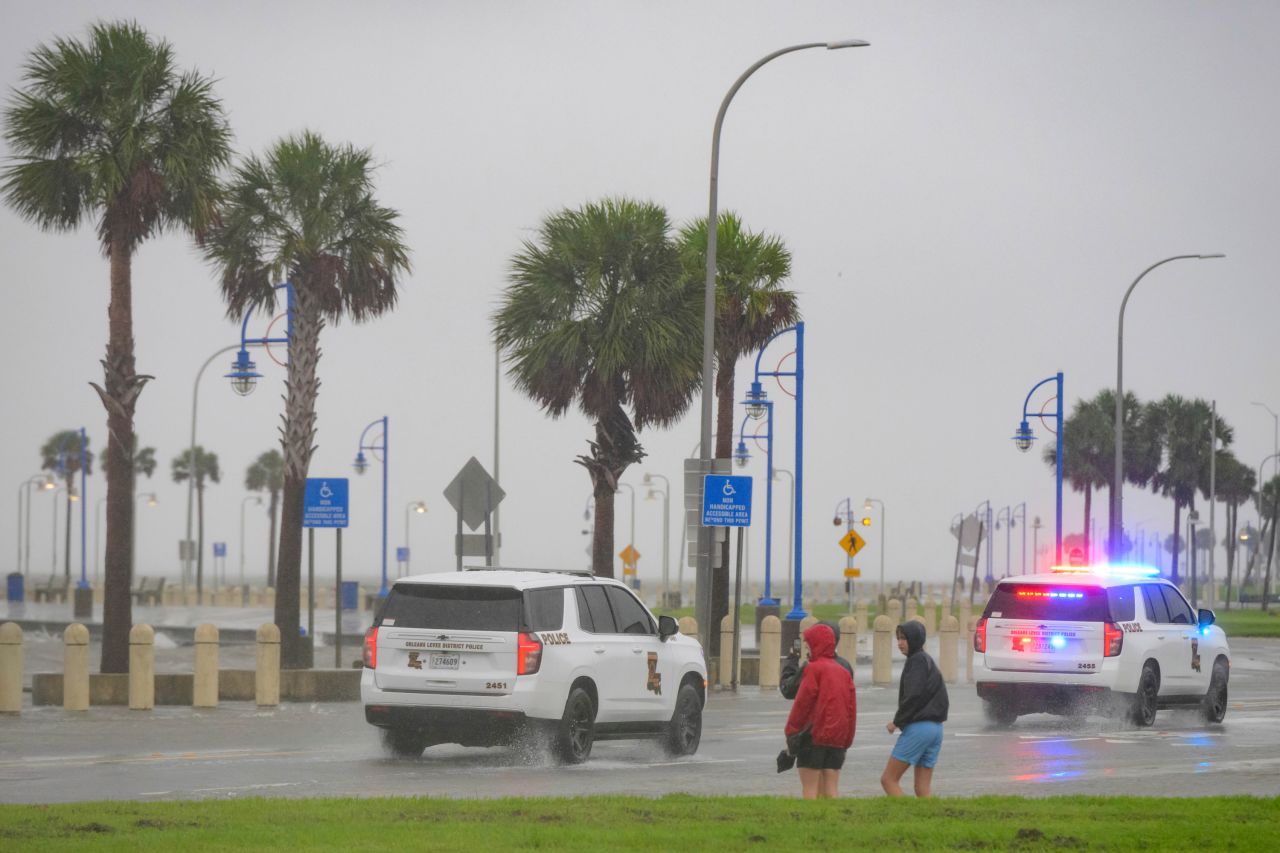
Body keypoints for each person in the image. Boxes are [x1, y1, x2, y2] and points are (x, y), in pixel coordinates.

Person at [784, 623, 856, 799]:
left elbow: (802, 705)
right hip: (837, 740)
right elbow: (851, 710)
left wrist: (791, 732)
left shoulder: (813, 668)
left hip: (813, 738)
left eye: (809, 645)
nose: (807, 650)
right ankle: (832, 822)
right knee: (831, 790)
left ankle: (811, 822)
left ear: (817, 645)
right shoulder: (843, 672)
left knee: (810, 789)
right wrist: (847, 739)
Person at [881, 620, 948, 797]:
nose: (900, 643)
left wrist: (897, 722)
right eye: (898, 638)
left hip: (919, 728)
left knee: (888, 780)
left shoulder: (916, 661)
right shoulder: (928, 661)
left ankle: (907, 817)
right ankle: (930, 821)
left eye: (904, 638)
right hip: (936, 729)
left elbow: (913, 696)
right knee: (922, 788)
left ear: (915, 639)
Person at [779, 621, 853, 700]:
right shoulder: (845, 665)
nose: (806, 645)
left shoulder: (812, 667)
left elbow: (788, 690)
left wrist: (793, 658)